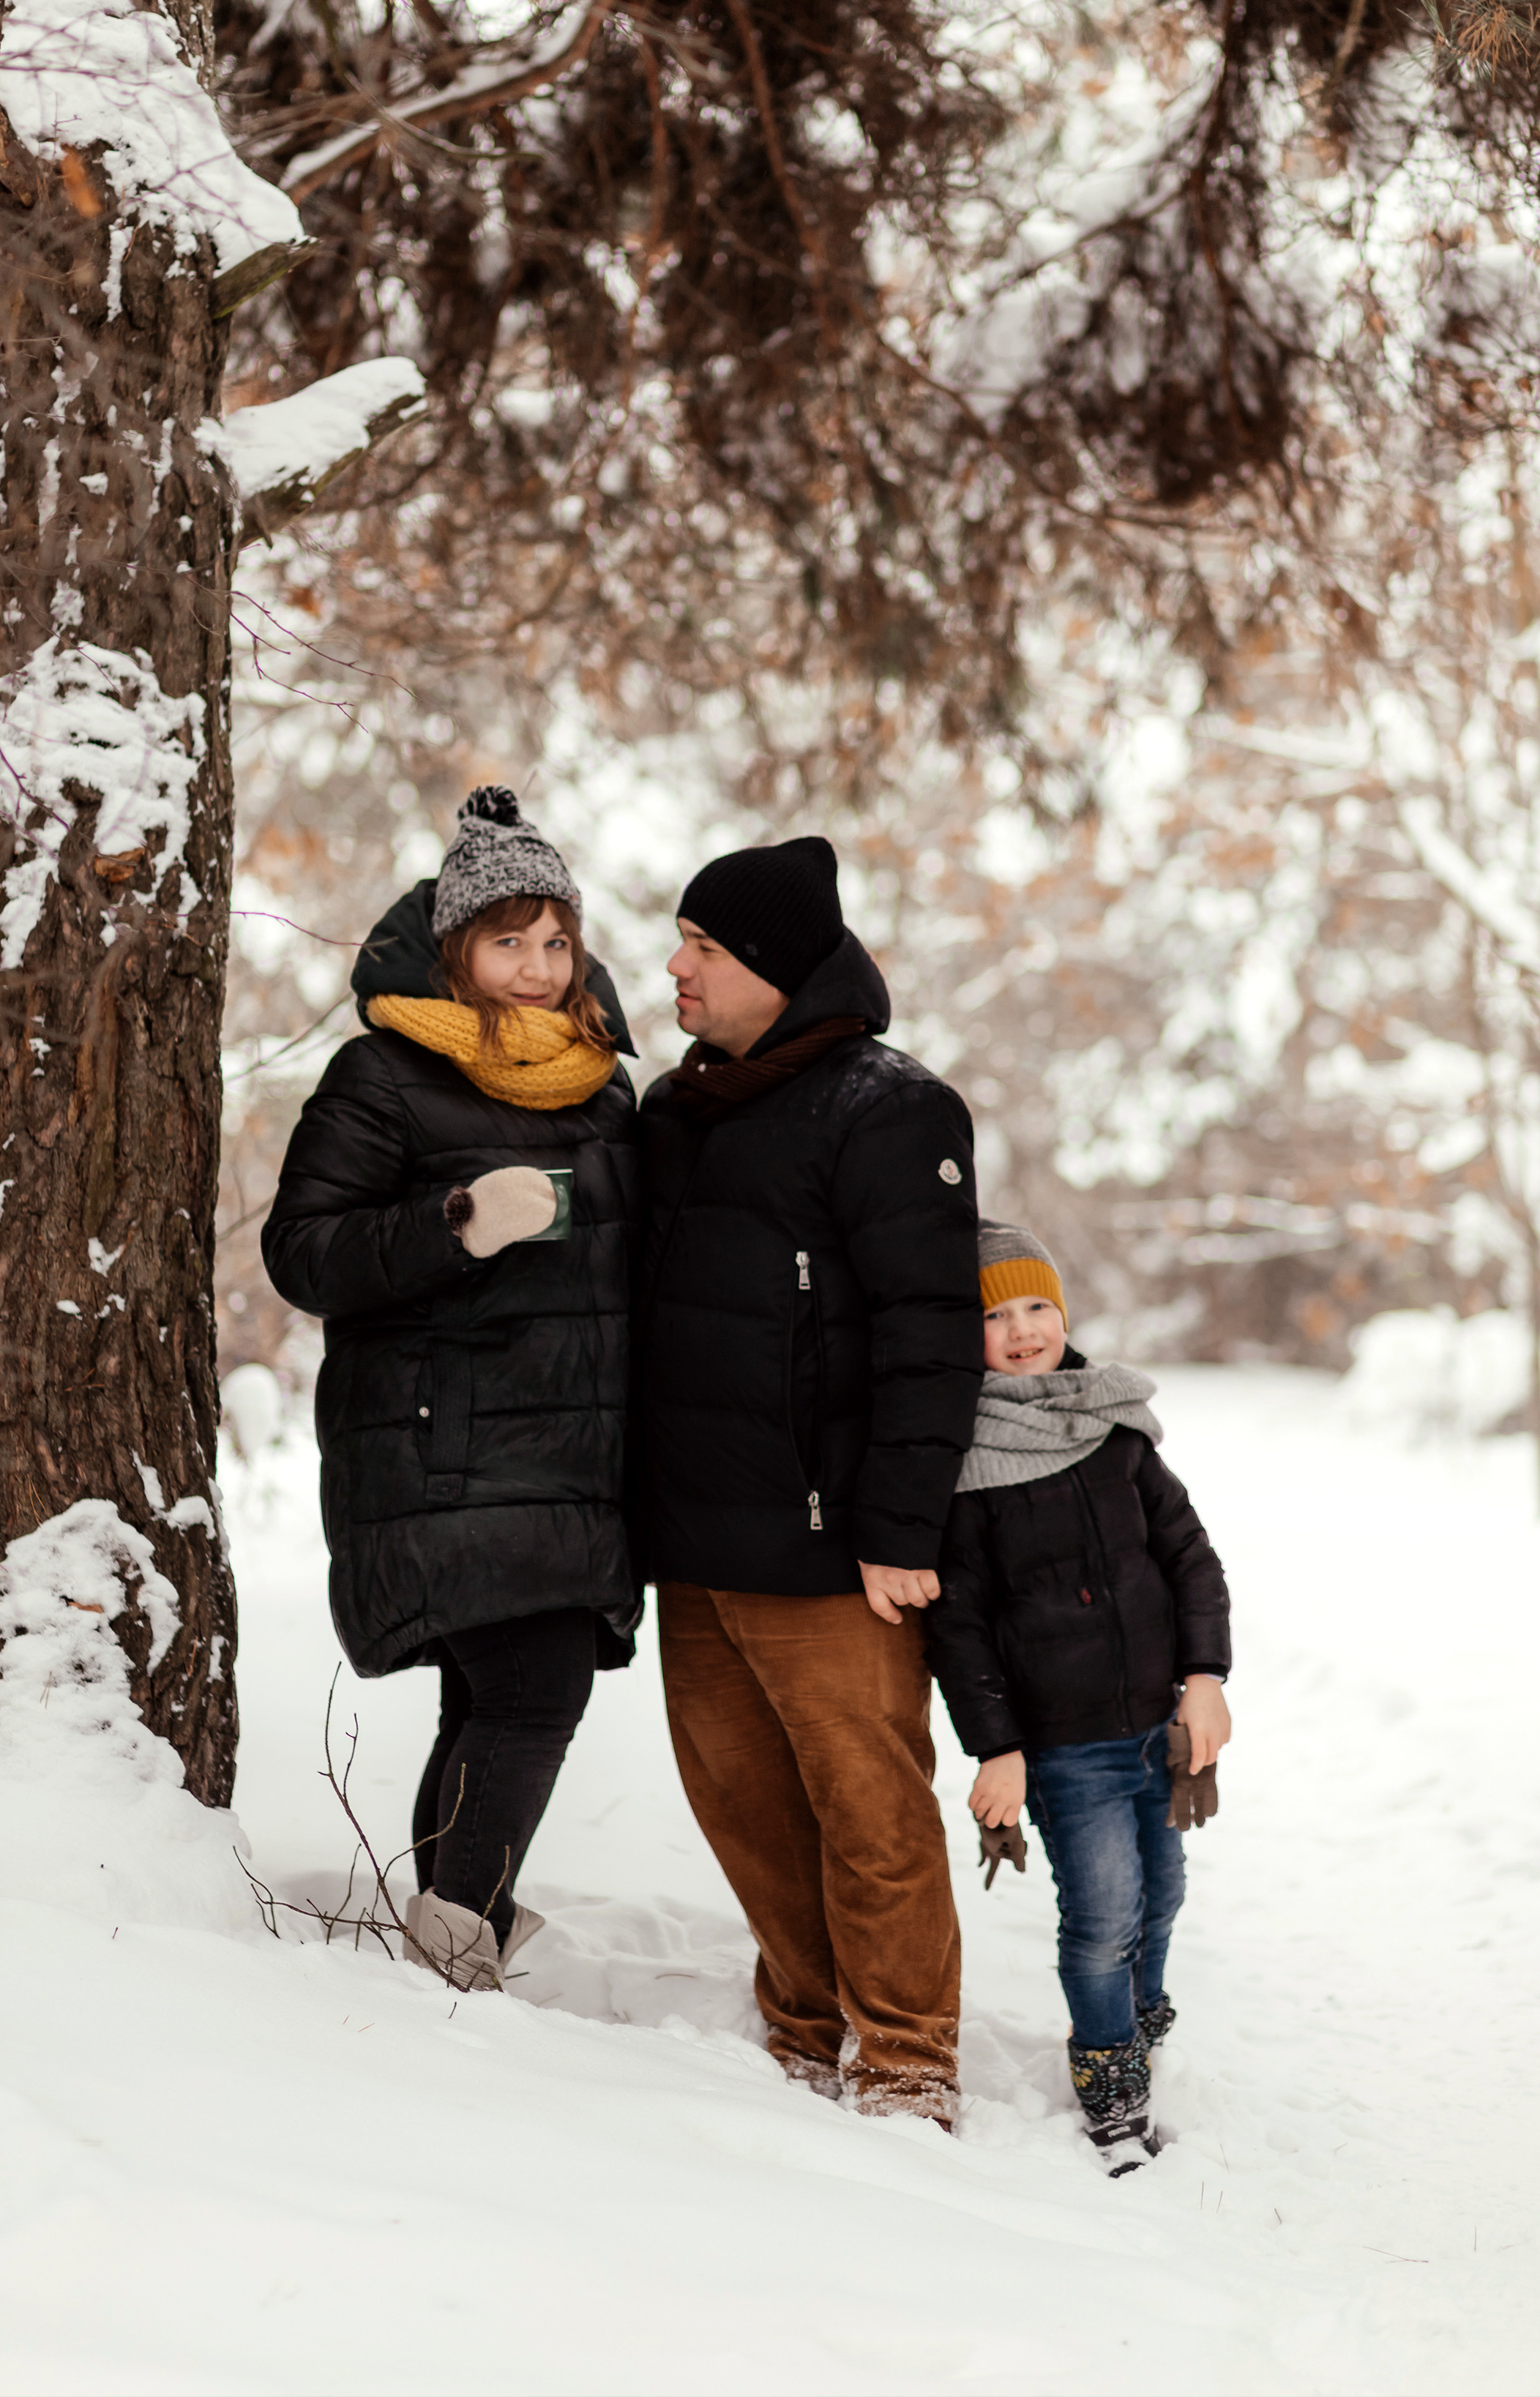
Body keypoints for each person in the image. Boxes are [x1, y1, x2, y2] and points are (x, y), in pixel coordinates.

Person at [262, 788, 641, 1993]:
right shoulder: (384, 1073)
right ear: (455, 952)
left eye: (554, 941)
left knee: (492, 1696)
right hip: (446, 1445)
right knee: (536, 1687)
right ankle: (452, 1953)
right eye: (506, 942)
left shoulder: (601, 1084)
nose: (535, 968)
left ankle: (439, 1930)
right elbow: (305, 1253)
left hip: (579, 1455)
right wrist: (457, 1222)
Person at [635, 836, 984, 2126]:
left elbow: (928, 1332)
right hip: (695, 1538)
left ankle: (905, 2057)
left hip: (834, 1545)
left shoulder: (889, 1108)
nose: (676, 966)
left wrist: (900, 1526)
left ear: (772, 968)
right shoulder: (677, 1112)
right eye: (682, 941)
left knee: (869, 1806)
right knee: (739, 1804)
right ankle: (801, 2020)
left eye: (704, 948)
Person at [924, 1219, 1233, 2173]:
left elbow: (1189, 1557)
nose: (1021, 1330)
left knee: (1163, 1893)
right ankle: (1109, 2080)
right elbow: (960, 1626)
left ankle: (1137, 2026)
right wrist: (998, 1747)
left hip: (1156, 1727)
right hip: (1063, 1747)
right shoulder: (964, 1464)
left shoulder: (1115, 1431)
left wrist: (1206, 1678)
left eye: (1038, 1307)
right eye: (995, 1315)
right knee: (1102, 1912)